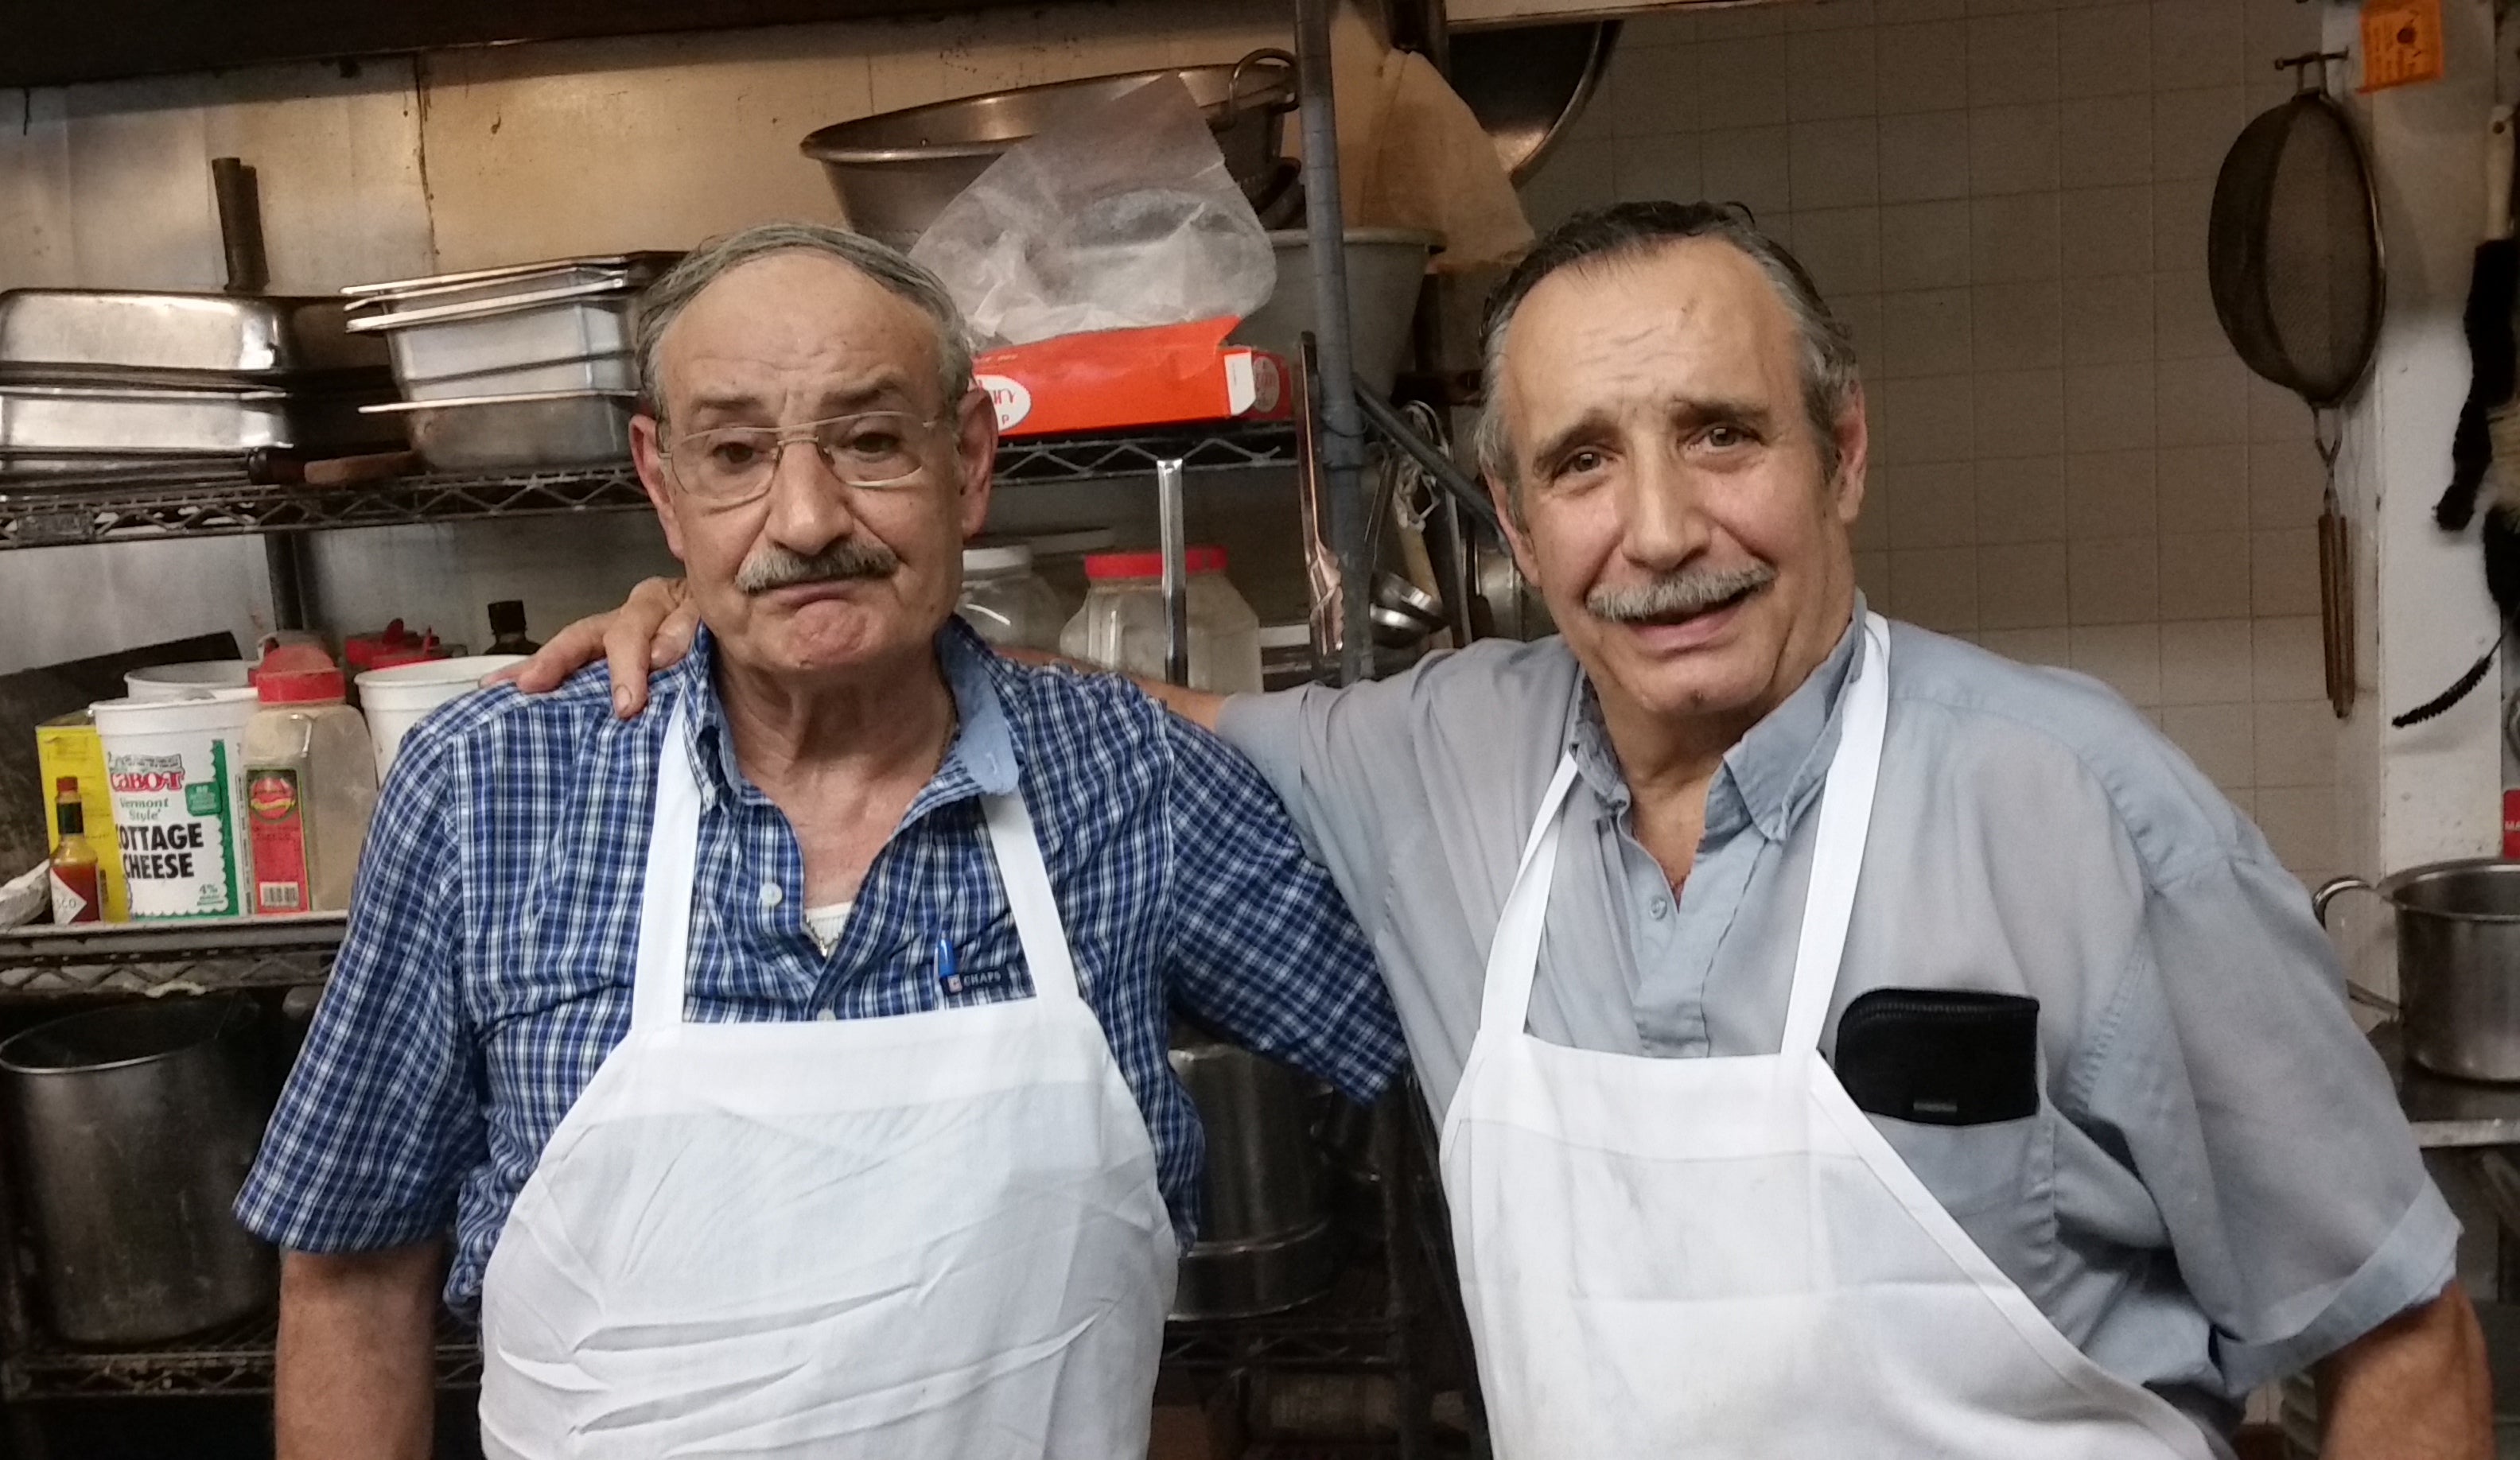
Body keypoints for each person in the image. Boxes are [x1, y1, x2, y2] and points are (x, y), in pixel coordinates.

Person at [529, 202, 2491, 1457]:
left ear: (1846, 452)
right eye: (1580, 464)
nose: (1657, 534)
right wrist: (733, 622)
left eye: (1722, 436)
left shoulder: (2087, 809)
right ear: (1510, 514)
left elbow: (2399, 1348)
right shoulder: (1442, 761)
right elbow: (1071, 715)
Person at [236, 222, 1405, 1460]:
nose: (805, 516)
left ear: (966, 463)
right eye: (735, 454)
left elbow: (1439, 1057)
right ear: (662, 483)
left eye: (870, 440)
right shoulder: (489, 788)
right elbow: (354, 1274)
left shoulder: (1126, 775)